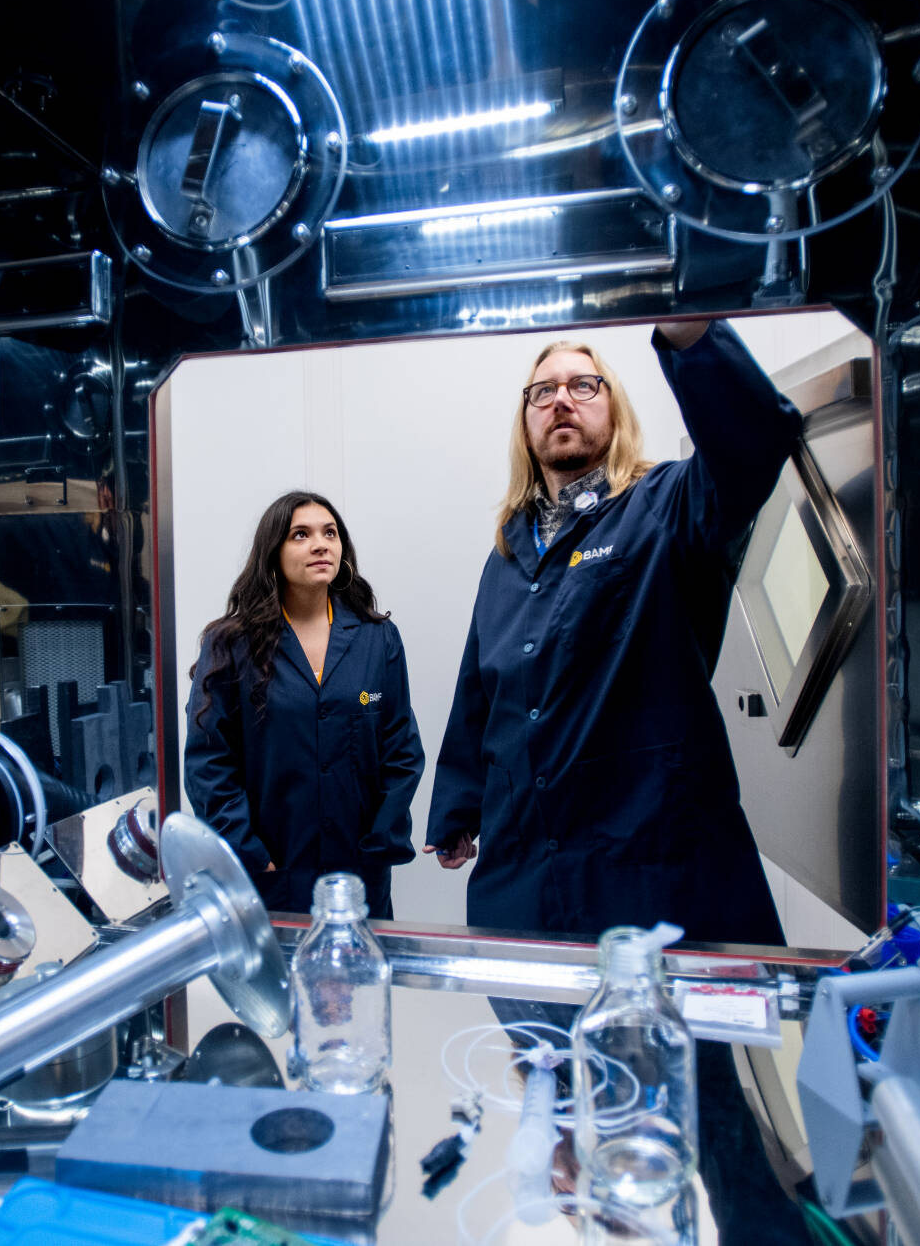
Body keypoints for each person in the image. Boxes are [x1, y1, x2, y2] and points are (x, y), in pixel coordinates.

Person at [423, 320, 808, 1244]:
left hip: (658, 886)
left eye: (584, 384)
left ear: (615, 409)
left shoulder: (669, 508)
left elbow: (755, 442)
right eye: (543, 389)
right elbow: (481, 689)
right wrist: (458, 803)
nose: (561, 398)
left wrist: (693, 335)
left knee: (721, 1142)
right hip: (524, 897)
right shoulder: (507, 554)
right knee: (569, 1138)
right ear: (526, 422)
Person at [184, 491, 424, 917]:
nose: (320, 544)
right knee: (277, 983)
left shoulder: (377, 638)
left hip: (358, 874)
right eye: (300, 534)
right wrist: (248, 850)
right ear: (272, 553)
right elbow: (209, 762)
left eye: (330, 533)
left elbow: (400, 747)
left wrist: (380, 843)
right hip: (272, 872)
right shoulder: (230, 643)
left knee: (360, 979)